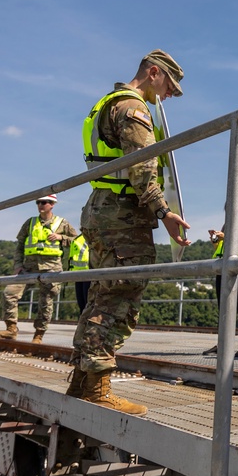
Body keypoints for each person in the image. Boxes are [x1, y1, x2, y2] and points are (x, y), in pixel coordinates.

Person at [68, 49, 191, 416]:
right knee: (119, 299)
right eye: (169, 86)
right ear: (154, 72)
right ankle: (98, 388)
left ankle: (82, 381)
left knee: (101, 296)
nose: (169, 95)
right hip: (123, 216)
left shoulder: (105, 103)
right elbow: (141, 170)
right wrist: (164, 211)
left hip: (100, 209)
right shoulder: (134, 109)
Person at [0, 194, 77, 344]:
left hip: (51, 269)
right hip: (29, 268)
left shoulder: (62, 223)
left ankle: (39, 335)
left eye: (45, 202)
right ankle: (11, 329)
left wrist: (61, 238)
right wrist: (17, 265)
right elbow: (20, 245)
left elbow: (77, 240)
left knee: (45, 302)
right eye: (39, 202)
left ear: (52, 204)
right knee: (9, 293)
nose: (41, 205)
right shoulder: (30, 223)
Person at [202, 199, 238, 358]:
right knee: (223, 307)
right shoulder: (226, 226)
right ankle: (222, 344)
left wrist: (225, 236)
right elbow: (220, 247)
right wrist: (215, 239)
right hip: (223, 268)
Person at [69, 232, 91, 312]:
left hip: (90, 274)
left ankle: (86, 323)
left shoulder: (93, 237)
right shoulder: (78, 238)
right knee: (82, 305)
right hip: (79, 274)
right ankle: (83, 323)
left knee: (87, 304)